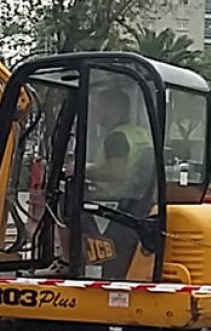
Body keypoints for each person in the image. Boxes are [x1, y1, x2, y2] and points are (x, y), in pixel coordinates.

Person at [35, 87, 153, 278]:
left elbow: (116, 172)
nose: (97, 113)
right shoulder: (139, 134)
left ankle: (67, 261)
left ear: (114, 109)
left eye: (101, 108)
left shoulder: (116, 137)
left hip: (115, 200)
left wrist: (82, 169)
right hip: (133, 198)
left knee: (64, 199)